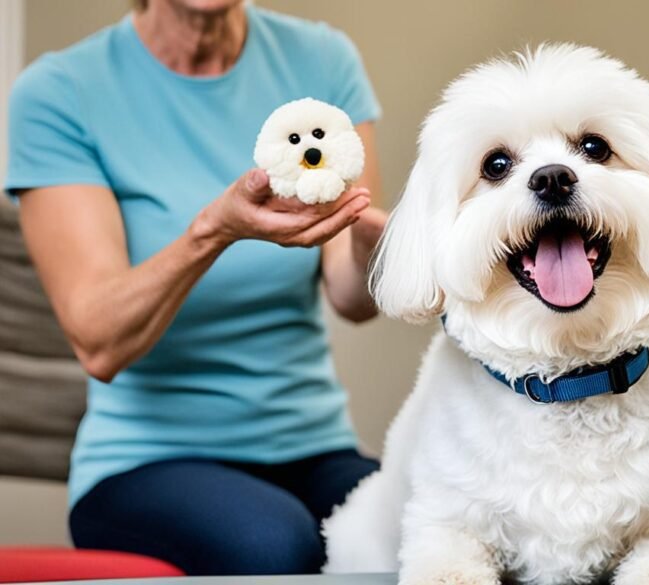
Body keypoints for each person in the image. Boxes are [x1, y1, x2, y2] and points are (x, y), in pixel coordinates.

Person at [4, 0, 388, 575]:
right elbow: (98, 342)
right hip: (144, 463)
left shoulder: (322, 61)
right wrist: (214, 231)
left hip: (313, 446)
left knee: (436, 525)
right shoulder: (60, 93)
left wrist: (373, 243)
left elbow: (351, 299)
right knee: (274, 546)